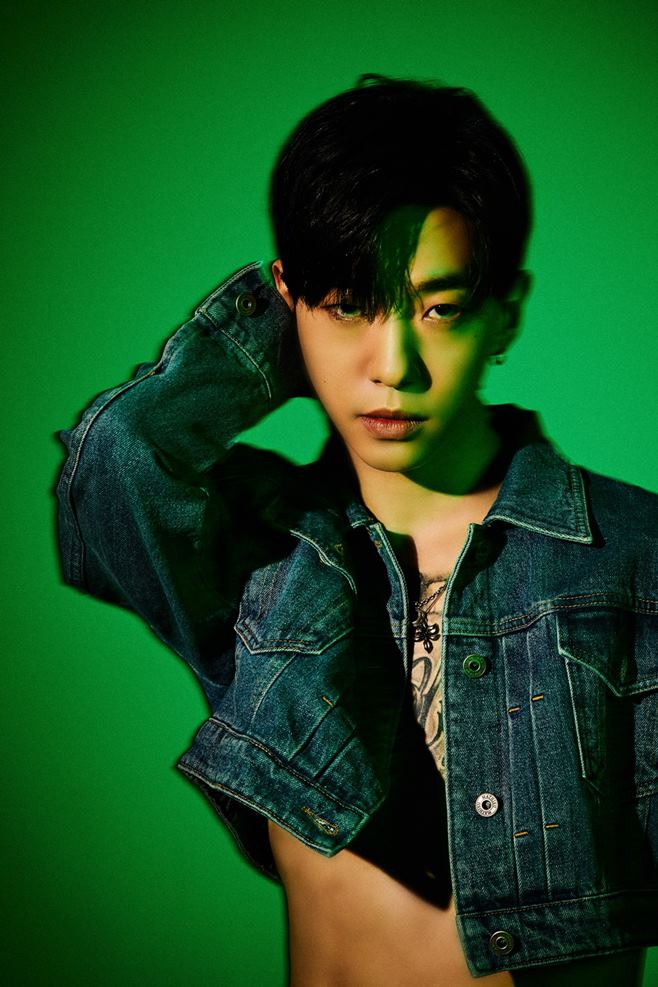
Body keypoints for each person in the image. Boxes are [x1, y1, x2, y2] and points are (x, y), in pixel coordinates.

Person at [55, 75, 656, 985]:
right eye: (349, 304)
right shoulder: (266, 560)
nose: (393, 364)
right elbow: (117, 460)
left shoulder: (636, 561)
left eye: (439, 307)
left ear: (506, 311)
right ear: (289, 301)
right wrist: (277, 329)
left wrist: (330, 306)